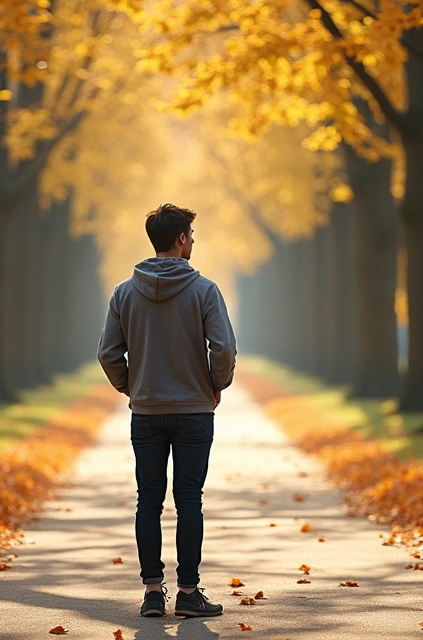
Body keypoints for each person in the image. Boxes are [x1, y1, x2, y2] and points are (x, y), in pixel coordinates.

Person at [97, 203, 237, 618]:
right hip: (195, 411)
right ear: (180, 239)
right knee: (189, 499)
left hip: (146, 412)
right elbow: (224, 349)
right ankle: (190, 594)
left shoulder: (124, 292)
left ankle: (153, 593)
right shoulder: (205, 290)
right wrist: (215, 385)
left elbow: (108, 353)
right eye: (191, 235)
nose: (193, 241)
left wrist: (131, 387)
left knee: (148, 500)